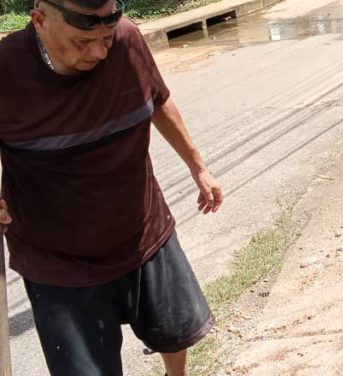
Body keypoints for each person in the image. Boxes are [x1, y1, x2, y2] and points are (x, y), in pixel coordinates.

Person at [0, 0, 224, 375]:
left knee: (175, 332)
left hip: (142, 230)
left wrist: (198, 167)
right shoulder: (6, 68)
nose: (100, 53)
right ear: (39, 20)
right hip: (58, 260)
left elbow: (158, 99)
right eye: (82, 41)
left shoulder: (127, 39)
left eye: (106, 38)